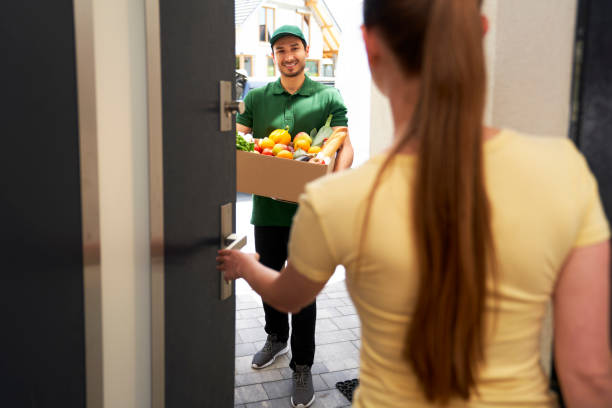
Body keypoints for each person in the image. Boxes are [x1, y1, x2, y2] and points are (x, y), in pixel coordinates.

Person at [222, 1, 612, 407]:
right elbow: (590, 375)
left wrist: (242, 264)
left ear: (370, 50)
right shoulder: (563, 171)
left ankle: (301, 363)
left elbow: (289, 294)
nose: (288, 56)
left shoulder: (336, 200)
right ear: (479, 33)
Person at [235, 24, 353, 407]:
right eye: (280, 50)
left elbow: (343, 142)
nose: (288, 56)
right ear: (274, 57)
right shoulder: (258, 97)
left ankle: (302, 365)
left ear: (306, 52)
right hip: (267, 209)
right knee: (270, 277)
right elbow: (239, 135)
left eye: (294, 49)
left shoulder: (326, 94)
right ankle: (275, 336)